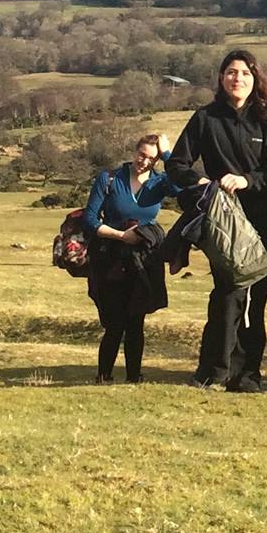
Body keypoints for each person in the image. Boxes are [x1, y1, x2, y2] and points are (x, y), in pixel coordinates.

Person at [167, 50, 267, 393]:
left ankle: (247, 375)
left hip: (263, 218)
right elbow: (176, 164)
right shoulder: (205, 118)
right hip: (223, 222)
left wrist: (247, 180)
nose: (237, 79)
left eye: (244, 73)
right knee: (227, 295)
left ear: (256, 79)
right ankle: (214, 370)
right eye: (231, 72)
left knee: (257, 295)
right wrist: (202, 183)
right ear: (221, 78)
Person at [81, 132, 176, 384]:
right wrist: (121, 236)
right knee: (114, 322)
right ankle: (103, 375)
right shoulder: (110, 178)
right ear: (135, 150)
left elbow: (184, 188)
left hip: (144, 260)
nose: (144, 161)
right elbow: (90, 219)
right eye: (141, 154)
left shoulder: (161, 182)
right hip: (110, 258)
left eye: (151, 158)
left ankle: (134, 377)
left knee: (136, 320)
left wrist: (168, 156)